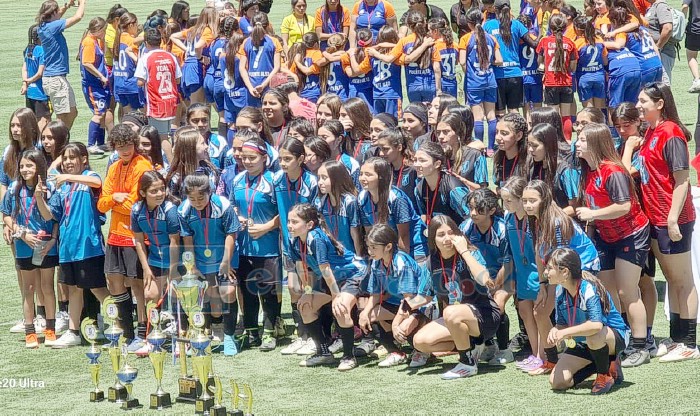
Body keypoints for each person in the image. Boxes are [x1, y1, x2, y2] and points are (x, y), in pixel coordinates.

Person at [575, 123, 651, 367]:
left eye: (583, 140)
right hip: (605, 237)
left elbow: (624, 206)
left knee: (627, 291)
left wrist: (592, 215)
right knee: (607, 292)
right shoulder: (589, 170)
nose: (577, 144)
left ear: (596, 143)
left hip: (631, 234)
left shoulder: (613, 171)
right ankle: (622, 338)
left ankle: (641, 345)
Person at [636, 83, 699, 361]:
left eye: (643, 101)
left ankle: (689, 343)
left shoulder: (671, 133)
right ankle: (676, 338)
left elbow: (682, 180)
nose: (638, 105)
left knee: (683, 280)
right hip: (656, 217)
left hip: (671, 218)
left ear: (660, 103)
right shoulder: (651, 131)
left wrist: (673, 218)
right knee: (672, 279)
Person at [35, 143, 110, 348]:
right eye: (65, 159)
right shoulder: (63, 187)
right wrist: (40, 198)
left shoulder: (88, 177)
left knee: (97, 289)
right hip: (68, 248)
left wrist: (66, 177)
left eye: (72, 158)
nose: (68, 163)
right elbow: (51, 215)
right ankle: (73, 331)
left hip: (89, 246)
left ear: (84, 159)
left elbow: (96, 181)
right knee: (74, 289)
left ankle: (120, 325)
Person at [410, 215, 498, 379]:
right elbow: (424, 297)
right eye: (441, 235)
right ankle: (472, 345)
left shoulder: (470, 253)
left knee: (450, 312)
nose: (447, 238)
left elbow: (484, 279)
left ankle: (467, 363)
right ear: (433, 239)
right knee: (420, 342)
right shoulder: (432, 262)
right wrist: (404, 310)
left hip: (484, 315)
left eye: (451, 233)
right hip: (454, 318)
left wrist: (464, 251)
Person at [287, 203, 367, 369]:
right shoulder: (293, 240)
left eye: (294, 222)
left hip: (353, 275)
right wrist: (308, 291)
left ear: (309, 225)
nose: (290, 225)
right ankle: (323, 352)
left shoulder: (315, 238)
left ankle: (348, 356)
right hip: (331, 279)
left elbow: (326, 268)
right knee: (305, 305)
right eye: (289, 221)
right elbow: (302, 269)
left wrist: (336, 296)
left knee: (341, 308)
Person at [97, 124, 153, 351]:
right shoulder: (113, 168)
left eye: (128, 145)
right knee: (114, 282)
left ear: (134, 143)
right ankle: (127, 333)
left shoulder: (143, 166)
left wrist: (115, 199)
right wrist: (115, 199)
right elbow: (102, 204)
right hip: (114, 234)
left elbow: (136, 205)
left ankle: (143, 332)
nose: (125, 150)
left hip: (136, 235)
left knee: (138, 285)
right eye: (120, 147)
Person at [545, 248, 628, 395]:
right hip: (584, 343)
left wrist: (564, 332)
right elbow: (562, 324)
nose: (546, 272)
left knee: (594, 336)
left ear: (565, 272)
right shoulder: (559, 290)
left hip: (612, 337)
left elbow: (596, 325)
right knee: (558, 382)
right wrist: (556, 330)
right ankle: (606, 363)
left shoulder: (588, 288)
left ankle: (605, 376)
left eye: (550, 268)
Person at [227, 135, 282, 350]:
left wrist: (266, 226)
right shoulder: (238, 180)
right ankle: (251, 332)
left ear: (264, 158)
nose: (248, 161)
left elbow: (284, 214)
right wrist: (236, 216)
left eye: (253, 158)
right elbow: (232, 205)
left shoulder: (274, 181)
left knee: (267, 291)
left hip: (268, 246)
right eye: (245, 157)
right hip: (244, 246)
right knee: (247, 290)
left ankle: (270, 331)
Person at [179, 173, 241, 354]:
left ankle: (229, 336)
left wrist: (226, 261)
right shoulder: (184, 210)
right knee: (204, 296)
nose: (197, 202)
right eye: (192, 198)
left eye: (201, 197)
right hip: (200, 260)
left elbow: (231, 234)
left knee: (228, 292)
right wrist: (192, 265)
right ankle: (201, 336)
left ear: (210, 192)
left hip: (224, 257)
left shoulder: (223, 206)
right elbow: (187, 240)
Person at [1, 149, 58, 348]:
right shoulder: (14, 188)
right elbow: (6, 214)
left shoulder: (49, 187)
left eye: (29, 166)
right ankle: (30, 331)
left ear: (39, 166)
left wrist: (40, 197)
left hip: (45, 245)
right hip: (24, 245)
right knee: (29, 289)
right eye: (22, 166)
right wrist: (20, 232)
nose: (25, 170)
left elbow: (52, 217)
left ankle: (50, 328)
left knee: (47, 287)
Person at [360, 224, 430, 367]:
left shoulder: (401, 262)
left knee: (402, 328)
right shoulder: (376, 262)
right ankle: (396, 353)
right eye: (368, 247)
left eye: (374, 247)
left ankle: (423, 351)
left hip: (418, 306)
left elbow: (409, 299)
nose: (370, 251)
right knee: (368, 315)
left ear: (388, 247)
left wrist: (396, 323)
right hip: (398, 305)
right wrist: (364, 313)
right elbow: (375, 293)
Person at [130, 171, 180, 354]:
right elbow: (138, 241)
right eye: (154, 191)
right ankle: (153, 338)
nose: (160, 193)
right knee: (150, 295)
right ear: (143, 193)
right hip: (154, 260)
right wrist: (145, 268)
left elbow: (175, 240)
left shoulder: (170, 209)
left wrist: (173, 270)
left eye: (162, 189)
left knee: (177, 298)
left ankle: (182, 338)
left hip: (176, 260)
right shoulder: (136, 210)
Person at [358, 157, 428, 260]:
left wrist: (402, 262)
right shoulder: (362, 198)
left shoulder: (396, 198)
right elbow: (370, 233)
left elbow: (404, 236)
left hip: (414, 248)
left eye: (368, 175)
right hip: (387, 249)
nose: (362, 178)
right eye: (361, 174)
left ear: (381, 177)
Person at [36, 0, 86, 130]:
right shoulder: (53, 27)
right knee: (61, 116)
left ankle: (62, 138)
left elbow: (57, 15)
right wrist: (82, 3)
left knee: (72, 112)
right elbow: (78, 17)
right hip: (55, 79)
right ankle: (55, 141)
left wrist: (67, 5)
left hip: (56, 78)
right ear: (51, 13)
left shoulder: (43, 25)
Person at [483, 0, 537, 118]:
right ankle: (519, 135)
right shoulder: (517, 25)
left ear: (495, 9)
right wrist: (544, 35)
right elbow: (533, 43)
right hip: (515, 74)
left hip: (497, 74)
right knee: (514, 111)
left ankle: (501, 135)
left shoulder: (488, 25)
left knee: (500, 113)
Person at [458, 9, 502, 154]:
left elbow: (462, 61)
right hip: (490, 80)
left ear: (469, 24)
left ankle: (479, 147)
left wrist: (470, 71)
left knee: (478, 117)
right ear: (482, 20)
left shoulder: (466, 39)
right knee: (491, 116)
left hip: (474, 82)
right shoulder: (491, 38)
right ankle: (490, 148)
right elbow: (499, 60)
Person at [135, 28, 181, 164]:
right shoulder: (170, 56)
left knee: (162, 138)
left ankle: (172, 166)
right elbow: (178, 79)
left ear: (146, 43)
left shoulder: (146, 58)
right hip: (170, 100)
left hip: (156, 102)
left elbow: (139, 82)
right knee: (168, 133)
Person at [536, 14, 578, 141]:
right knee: (566, 116)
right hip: (566, 83)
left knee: (552, 116)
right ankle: (568, 141)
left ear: (550, 27)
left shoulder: (544, 41)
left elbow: (540, 61)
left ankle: (553, 141)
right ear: (565, 27)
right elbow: (573, 66)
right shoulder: (570, 43)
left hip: (551, 83)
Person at [413, 142, 470, 226]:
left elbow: (470, 219)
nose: (416, 164)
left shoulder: (454, 188)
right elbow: (424, 216)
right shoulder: (419, 189)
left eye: (422, 160)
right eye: (415, 160)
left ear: (437, 164)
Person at [170, 7, 218, 105]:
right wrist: (200, 57)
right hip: (196, 67)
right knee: (197, 106)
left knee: (194, 106)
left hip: (187, 66)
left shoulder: (193, 29)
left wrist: (186, 50)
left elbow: (173, 36)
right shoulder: (208, 30)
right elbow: (197, 46)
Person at [79, 17, 110, 156]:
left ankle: (100, 143)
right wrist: (101, 76)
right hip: (93, 84)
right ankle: (91, 145)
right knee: (98, 113)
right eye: (104, 30)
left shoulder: (94, 41)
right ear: (98, 30)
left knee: (102, 112)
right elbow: (87, 63)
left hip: (97, 84)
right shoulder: (89, 42)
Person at [239, 12, 282, 107]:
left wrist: (250, 88)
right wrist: (263, 85)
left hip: (252, 87)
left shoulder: (246, 42)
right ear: (267, 25)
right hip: (269, 87)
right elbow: (277, 67)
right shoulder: (274, 41)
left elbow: (242, 68)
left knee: (253, 118)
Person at [22, 24, 52, 133]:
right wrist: (29, 80)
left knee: (32, 120)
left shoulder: (28, 49)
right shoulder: (42, 50)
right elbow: (40, 73)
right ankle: (40, 144)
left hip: (30, 92)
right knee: (44, 120)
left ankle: (32, 142)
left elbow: (24, 69)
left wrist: (25, 83)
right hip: (41, 92)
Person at [493, 113, 528, 190]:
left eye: (504, 133)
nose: (497, 137)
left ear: (518, 136)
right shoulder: (498, 158)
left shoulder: (528, 162)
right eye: (496, 132)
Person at [645, 0, 675, 80]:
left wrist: (658, 47)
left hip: (663, 52)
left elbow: (668, 28)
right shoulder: (653, 6)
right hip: (655, 53)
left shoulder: (661, 5)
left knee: (663, 86)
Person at [684, 0, 700, 92]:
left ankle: (697, 80)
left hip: (695, 28)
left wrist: (683, 18)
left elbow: (685, 6)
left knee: (691, 56)